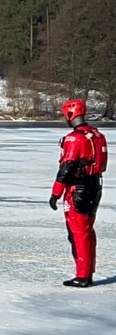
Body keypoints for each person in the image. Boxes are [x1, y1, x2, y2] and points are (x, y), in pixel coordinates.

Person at [49, 99, 108, 288]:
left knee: (78, 232)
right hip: (95, 186)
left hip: (78, 189)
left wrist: (56, 193)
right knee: (87, 231)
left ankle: (83, 276)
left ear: (69, 114)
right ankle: (87, 272)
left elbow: (66, 168)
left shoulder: (75, 138)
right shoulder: (97, 135)